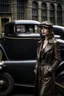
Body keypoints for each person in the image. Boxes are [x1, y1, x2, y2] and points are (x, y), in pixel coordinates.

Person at [34, 21, 61, 96]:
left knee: (43, 93)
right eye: (42, 28)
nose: (42, 30)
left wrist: (50, 70)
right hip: (39, 71)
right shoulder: (40, 42)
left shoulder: (54, 43)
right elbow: (38, 57)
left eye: (45, 28)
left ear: (49, 30)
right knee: (38, 92)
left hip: (47, 71)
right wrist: (36, 68)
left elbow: (58, 59)